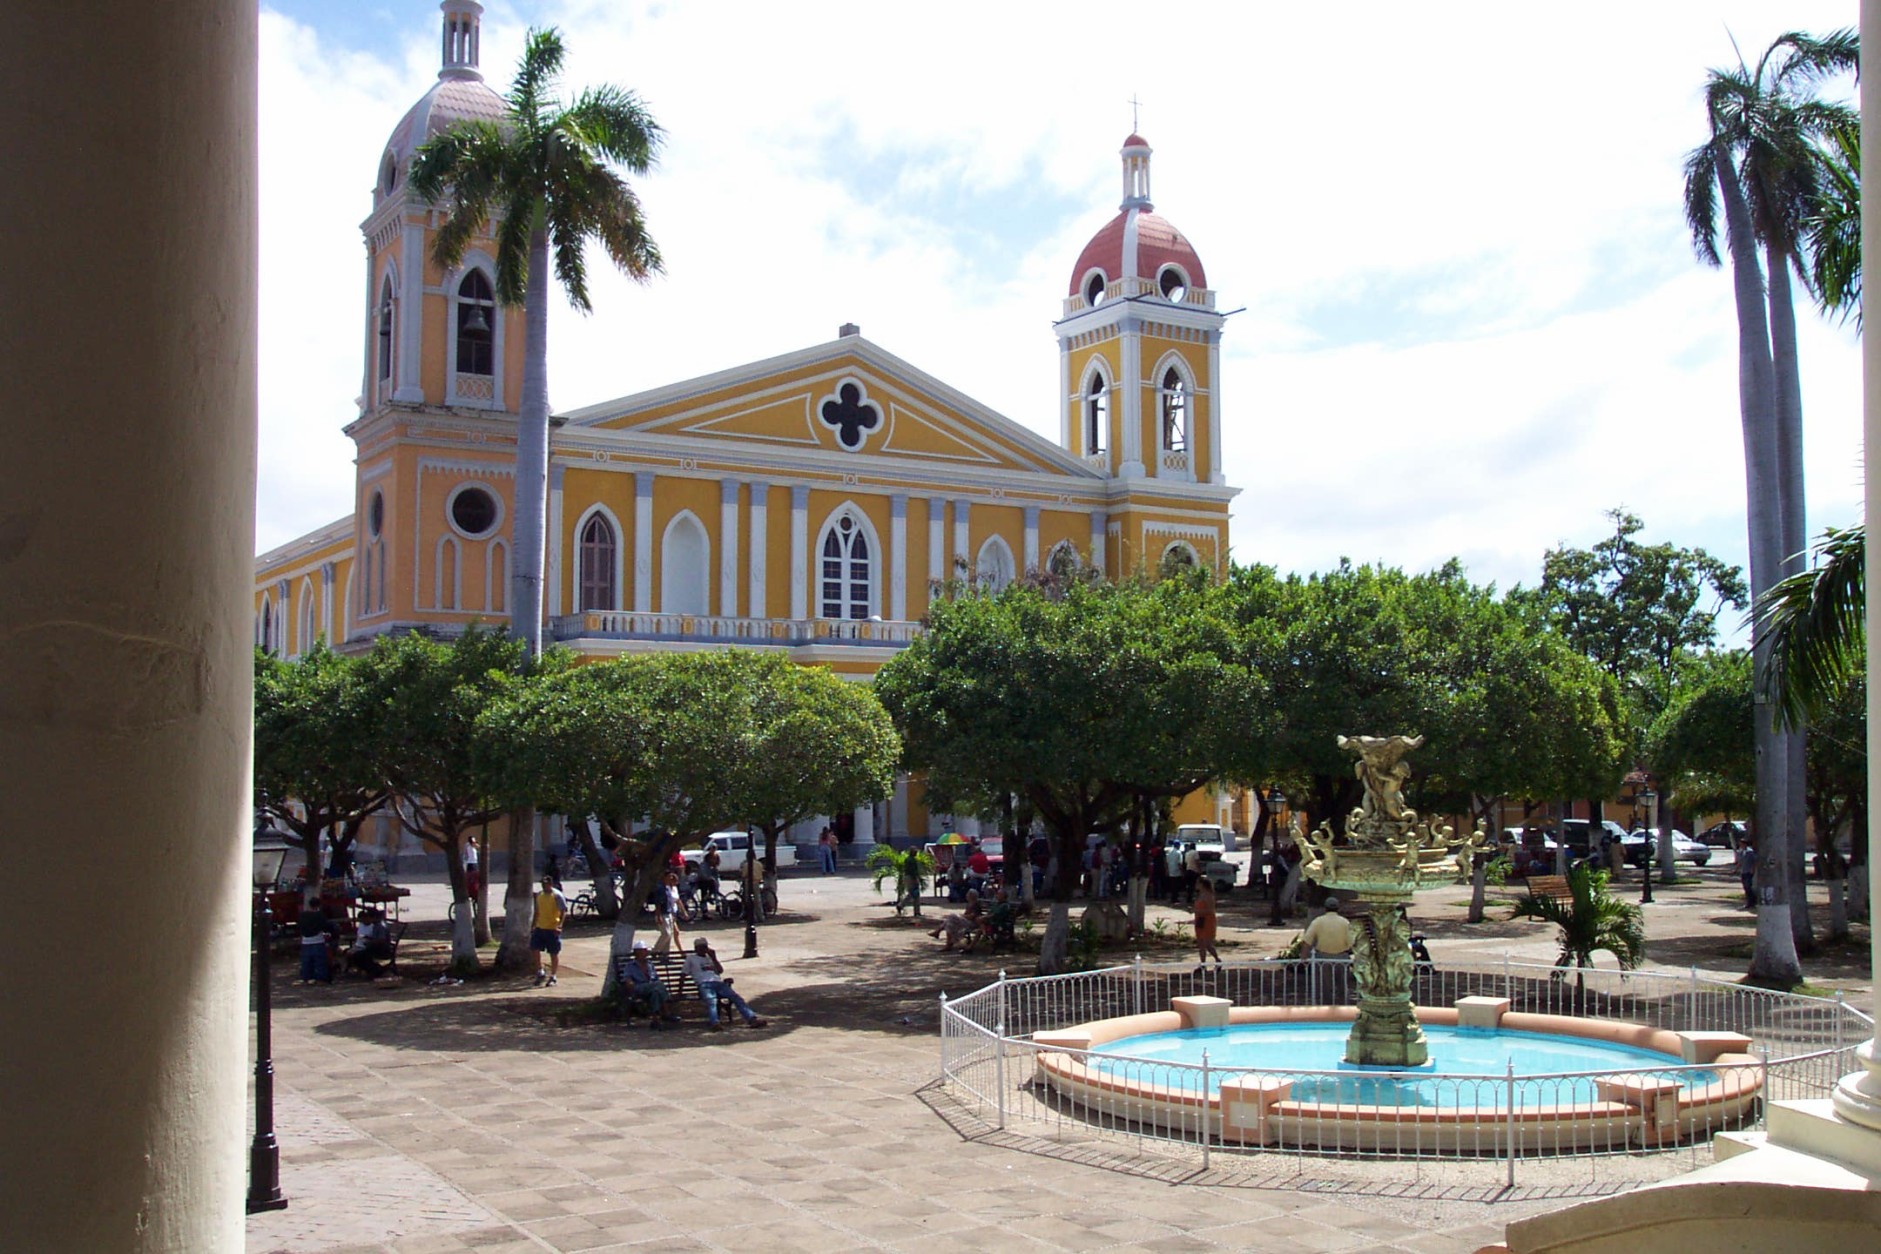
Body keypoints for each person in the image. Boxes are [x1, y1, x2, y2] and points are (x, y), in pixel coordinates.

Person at [684, 938, 767, 1030]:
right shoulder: (691, 958)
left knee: (736, 998)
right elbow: (683, 974)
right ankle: (715, 1023)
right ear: (696, 948)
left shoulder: (710, 958)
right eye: (702, 947)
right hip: (704, 984)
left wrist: (714, 958)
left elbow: (720, 970)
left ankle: (752, 1019)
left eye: (706, 947)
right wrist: (680, 989)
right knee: (712, 1001)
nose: (705, 950)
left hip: (718, 983)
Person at [620, 939, 678, 1027]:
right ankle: (666, 1013)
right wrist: (630, 984)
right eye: (644, 951)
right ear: (637, 952)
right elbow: (627, 978)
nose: (646, 953)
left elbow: (655, 977)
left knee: (655, 993)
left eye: (646, 951)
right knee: (658, 985)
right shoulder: (630, 965)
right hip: (639, 987)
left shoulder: (650, 964)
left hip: (652, 988)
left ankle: (655, 1020)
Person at [530, 874, 567, 986]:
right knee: (534, 949)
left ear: (550, 884)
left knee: (553, 953)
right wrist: (533, 925)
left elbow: (563, 911)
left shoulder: (557, 895)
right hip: (540, 927)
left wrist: (559, 926)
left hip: (552, 928)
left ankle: (553, 976)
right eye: (542, 884)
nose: (544, 886)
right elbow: (537, 911)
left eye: (546, 884)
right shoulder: (539, 895)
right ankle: (540, 971)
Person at [297, 896, 336, 984]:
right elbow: (326, 927)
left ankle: (307, 977)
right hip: (317, 939)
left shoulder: (303, 915)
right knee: (320, 961)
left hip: (305, 940)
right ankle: (321, 978)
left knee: (306, 962)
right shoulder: (320, 916)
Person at [348, 907, 393, 978]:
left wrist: (371, 942)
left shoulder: (381, 926)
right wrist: (367, 939)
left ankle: (377, 970)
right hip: (375, 946)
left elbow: (381, 940)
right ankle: (373, 970)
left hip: (382, 949)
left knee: (360, 955)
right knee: (356, 955)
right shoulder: (375, 925)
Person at [1192, 876, 1221, 969]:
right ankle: (1203, 964)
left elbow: (1211, 910)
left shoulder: (1208, 896)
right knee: (1200, 943)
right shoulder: (1200, 895)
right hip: (1199, 920)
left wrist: (1200, 912)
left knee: (1207, 943)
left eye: (1198, 883)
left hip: (1207, 920)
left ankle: (1217, 960)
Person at [655, 870, 684, 953]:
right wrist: (658, 915)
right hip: (663, 914)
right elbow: (658, 903)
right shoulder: (660, 888)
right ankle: (655, 951)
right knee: (666, 934)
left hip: (669, 913)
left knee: (669, 935)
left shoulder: (667, 888)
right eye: (669, 877)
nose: (670, 879)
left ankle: (665, 954)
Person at [1737, 839, 1757, 910]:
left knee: (1748, 886)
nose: (1740, 845)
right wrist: (1736, 869)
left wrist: (1753, 869)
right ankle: (1749, 901)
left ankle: (1752, 901)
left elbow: (1755, 861)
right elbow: (1740, 862)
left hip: (1748, 871)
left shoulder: (1750, 852)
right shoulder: (1741, 852)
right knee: (1745, 887)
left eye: (1741, 844)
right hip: (1743, 871)